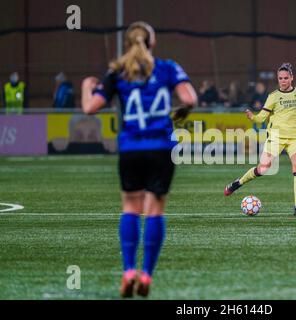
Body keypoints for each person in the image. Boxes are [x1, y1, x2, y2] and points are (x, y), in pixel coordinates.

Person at [81, 21, 197, 298]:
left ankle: (128, 270)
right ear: (152, 43)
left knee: (130, 207)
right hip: (161, 147)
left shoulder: (117, 72)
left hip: (131, 148)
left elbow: (90, 108)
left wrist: (87, 85)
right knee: (155, 209)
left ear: (128, 44)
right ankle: (146, 275)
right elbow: (189, 98)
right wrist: (176, 116)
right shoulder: (168, 67)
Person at [224, 63, 296, 216]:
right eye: (280, 78)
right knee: (263, 168)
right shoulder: (273, 96)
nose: (283, 81)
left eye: (286, 78)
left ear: (292, 78)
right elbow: (262, 117)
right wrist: (253, 117)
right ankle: (238, 183)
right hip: (276, 137)